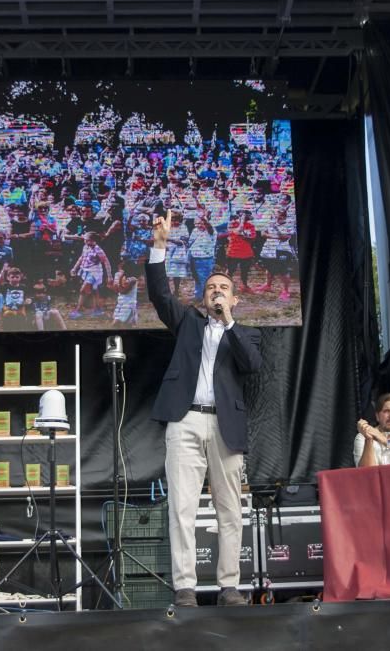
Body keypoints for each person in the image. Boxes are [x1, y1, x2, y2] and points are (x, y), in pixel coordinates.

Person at [147, 214, 261, 609]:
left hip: (226, 425)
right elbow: (161, 296)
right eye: (210, 287)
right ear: (202, 295)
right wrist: (159, 246)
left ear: (234, 298)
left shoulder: (245, 332)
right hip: (186, 420)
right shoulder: (188, 322)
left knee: (230, 510)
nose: (215, 292)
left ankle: (229, 586)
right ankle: (185, 588)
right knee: (182, 507)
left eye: (223, 289)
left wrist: (228, 323)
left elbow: (252, 365)